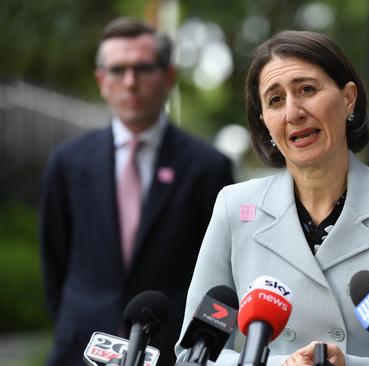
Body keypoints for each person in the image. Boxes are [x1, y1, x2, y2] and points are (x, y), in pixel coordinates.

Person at [177, 30, 369, 365]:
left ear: (348, 98)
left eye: (307, 89)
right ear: (264, 121)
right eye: (275, 100)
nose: (293, 112)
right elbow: (193, 354)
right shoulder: (234, 207)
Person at [39, 17, 234, 366]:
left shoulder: (208, 167)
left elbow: (219, 271)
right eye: (117, 70)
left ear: (168, 77)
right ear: (102, 81)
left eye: (143, 68)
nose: (130, 82)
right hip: (79, 346)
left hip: (170, 348)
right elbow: (54, 259)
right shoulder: (67, 161)